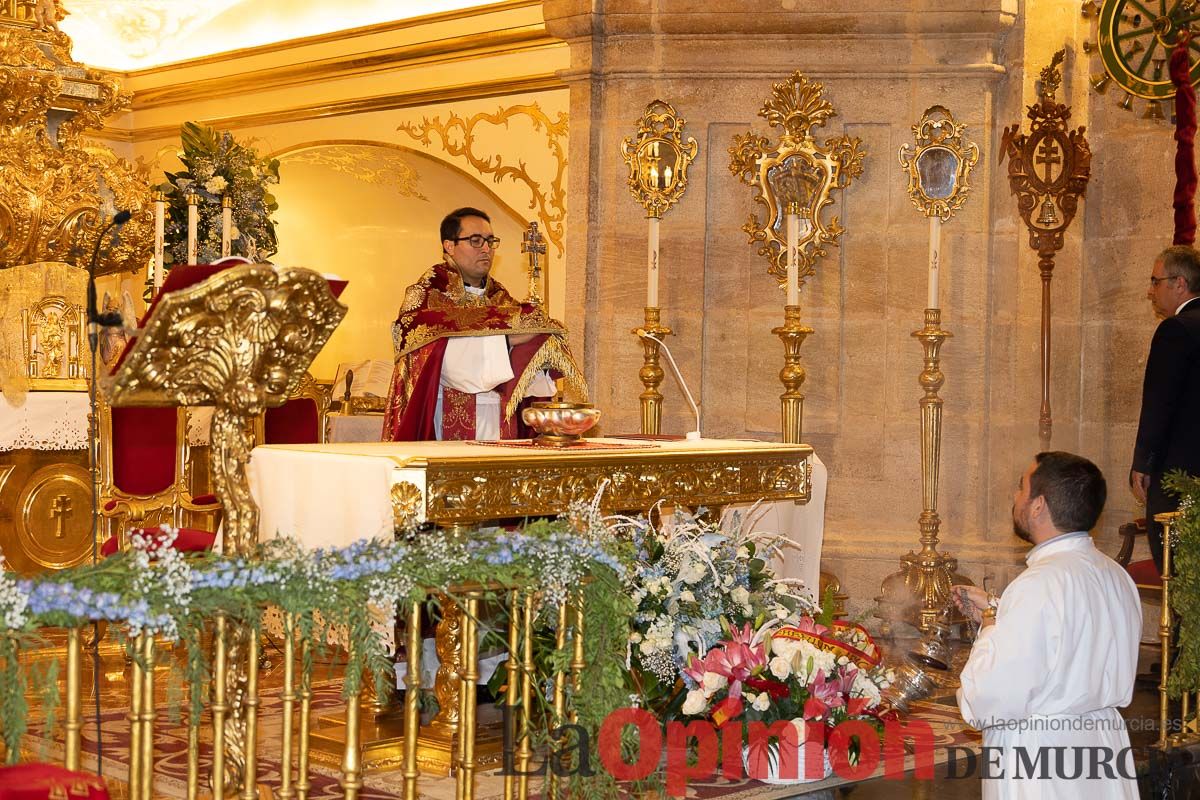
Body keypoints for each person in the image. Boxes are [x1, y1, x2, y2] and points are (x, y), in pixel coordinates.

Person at [953, 452, 1140, 800]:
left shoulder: (1037, 584)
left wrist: (994, 621)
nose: (1014, 496)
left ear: (1038, 505)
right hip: (1104, 747)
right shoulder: (1117, 576)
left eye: (1021, 487)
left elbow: (985, 699)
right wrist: (998, 608)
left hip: (1043, 761)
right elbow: (1074, 641)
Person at [382, 207, 587, 441]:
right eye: (476, 241)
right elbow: (436, 359)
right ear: (449, 246)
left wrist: (540, 346)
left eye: (490, 241)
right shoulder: (425, 296)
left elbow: (525, 375)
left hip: (498, 422)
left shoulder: (500, 298)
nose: (486, 249)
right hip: (442, 418)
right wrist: (506, 340)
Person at [1130, 244, 1200, 573]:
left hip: (1179, 476)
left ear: (1179, 284)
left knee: (1177, 573)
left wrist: (1142, 464)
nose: (1151, 290)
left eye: (1155, 281)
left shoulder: (1176, 329)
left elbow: (1160, 403)